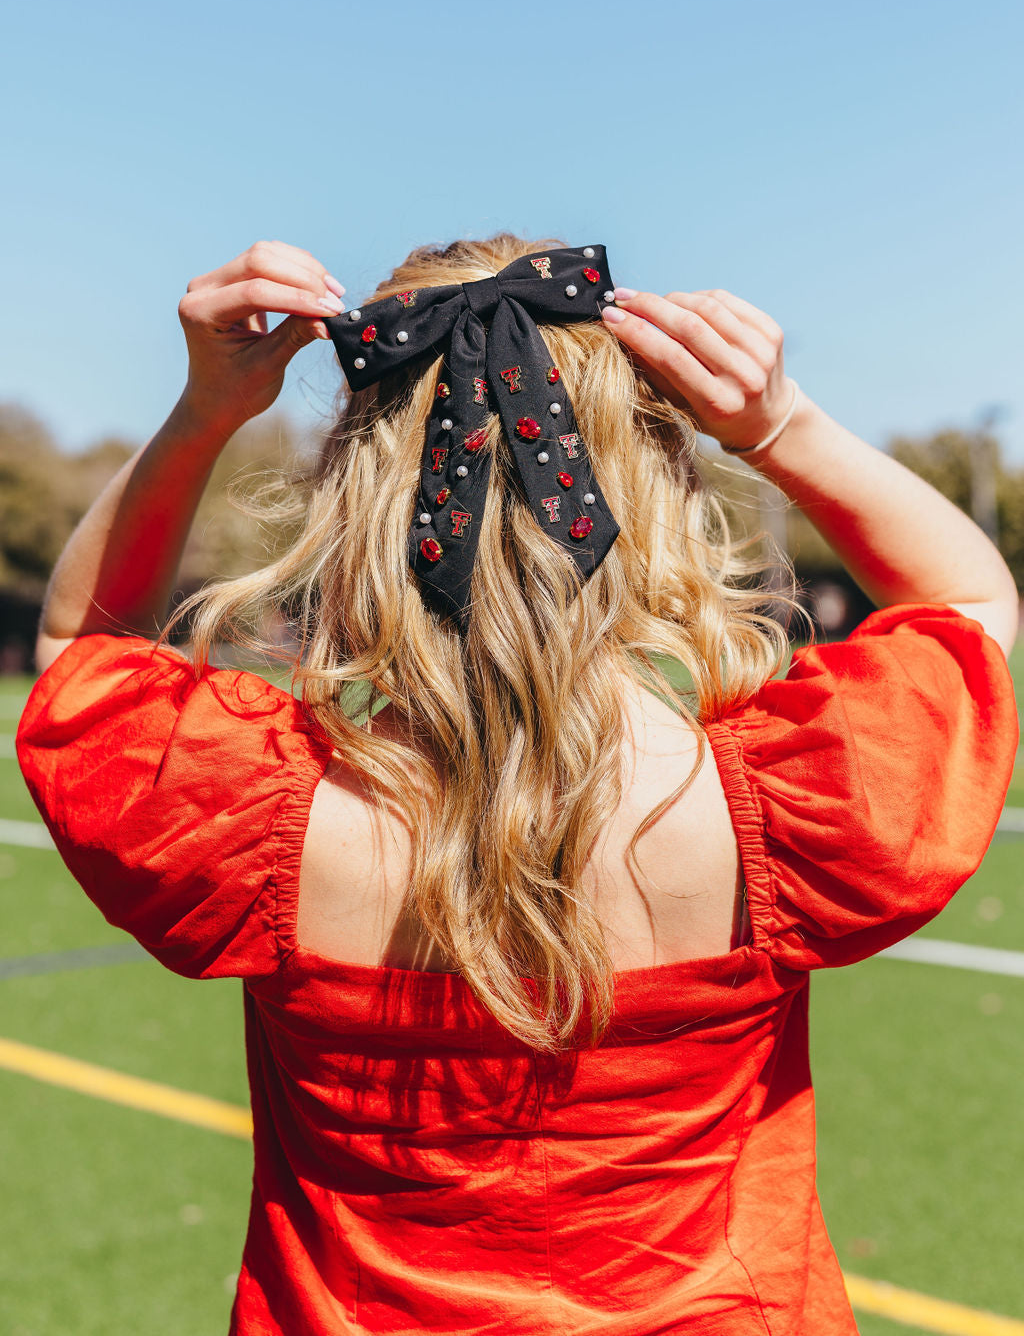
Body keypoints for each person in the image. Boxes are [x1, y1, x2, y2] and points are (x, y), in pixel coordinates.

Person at [17, 233, 1019, 1336]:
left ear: (350, 500)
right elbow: (967, 606)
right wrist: (783, 426)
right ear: (660, 489)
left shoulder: (259, 811)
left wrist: (201, 413)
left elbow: (82, 651)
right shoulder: (787, 802)